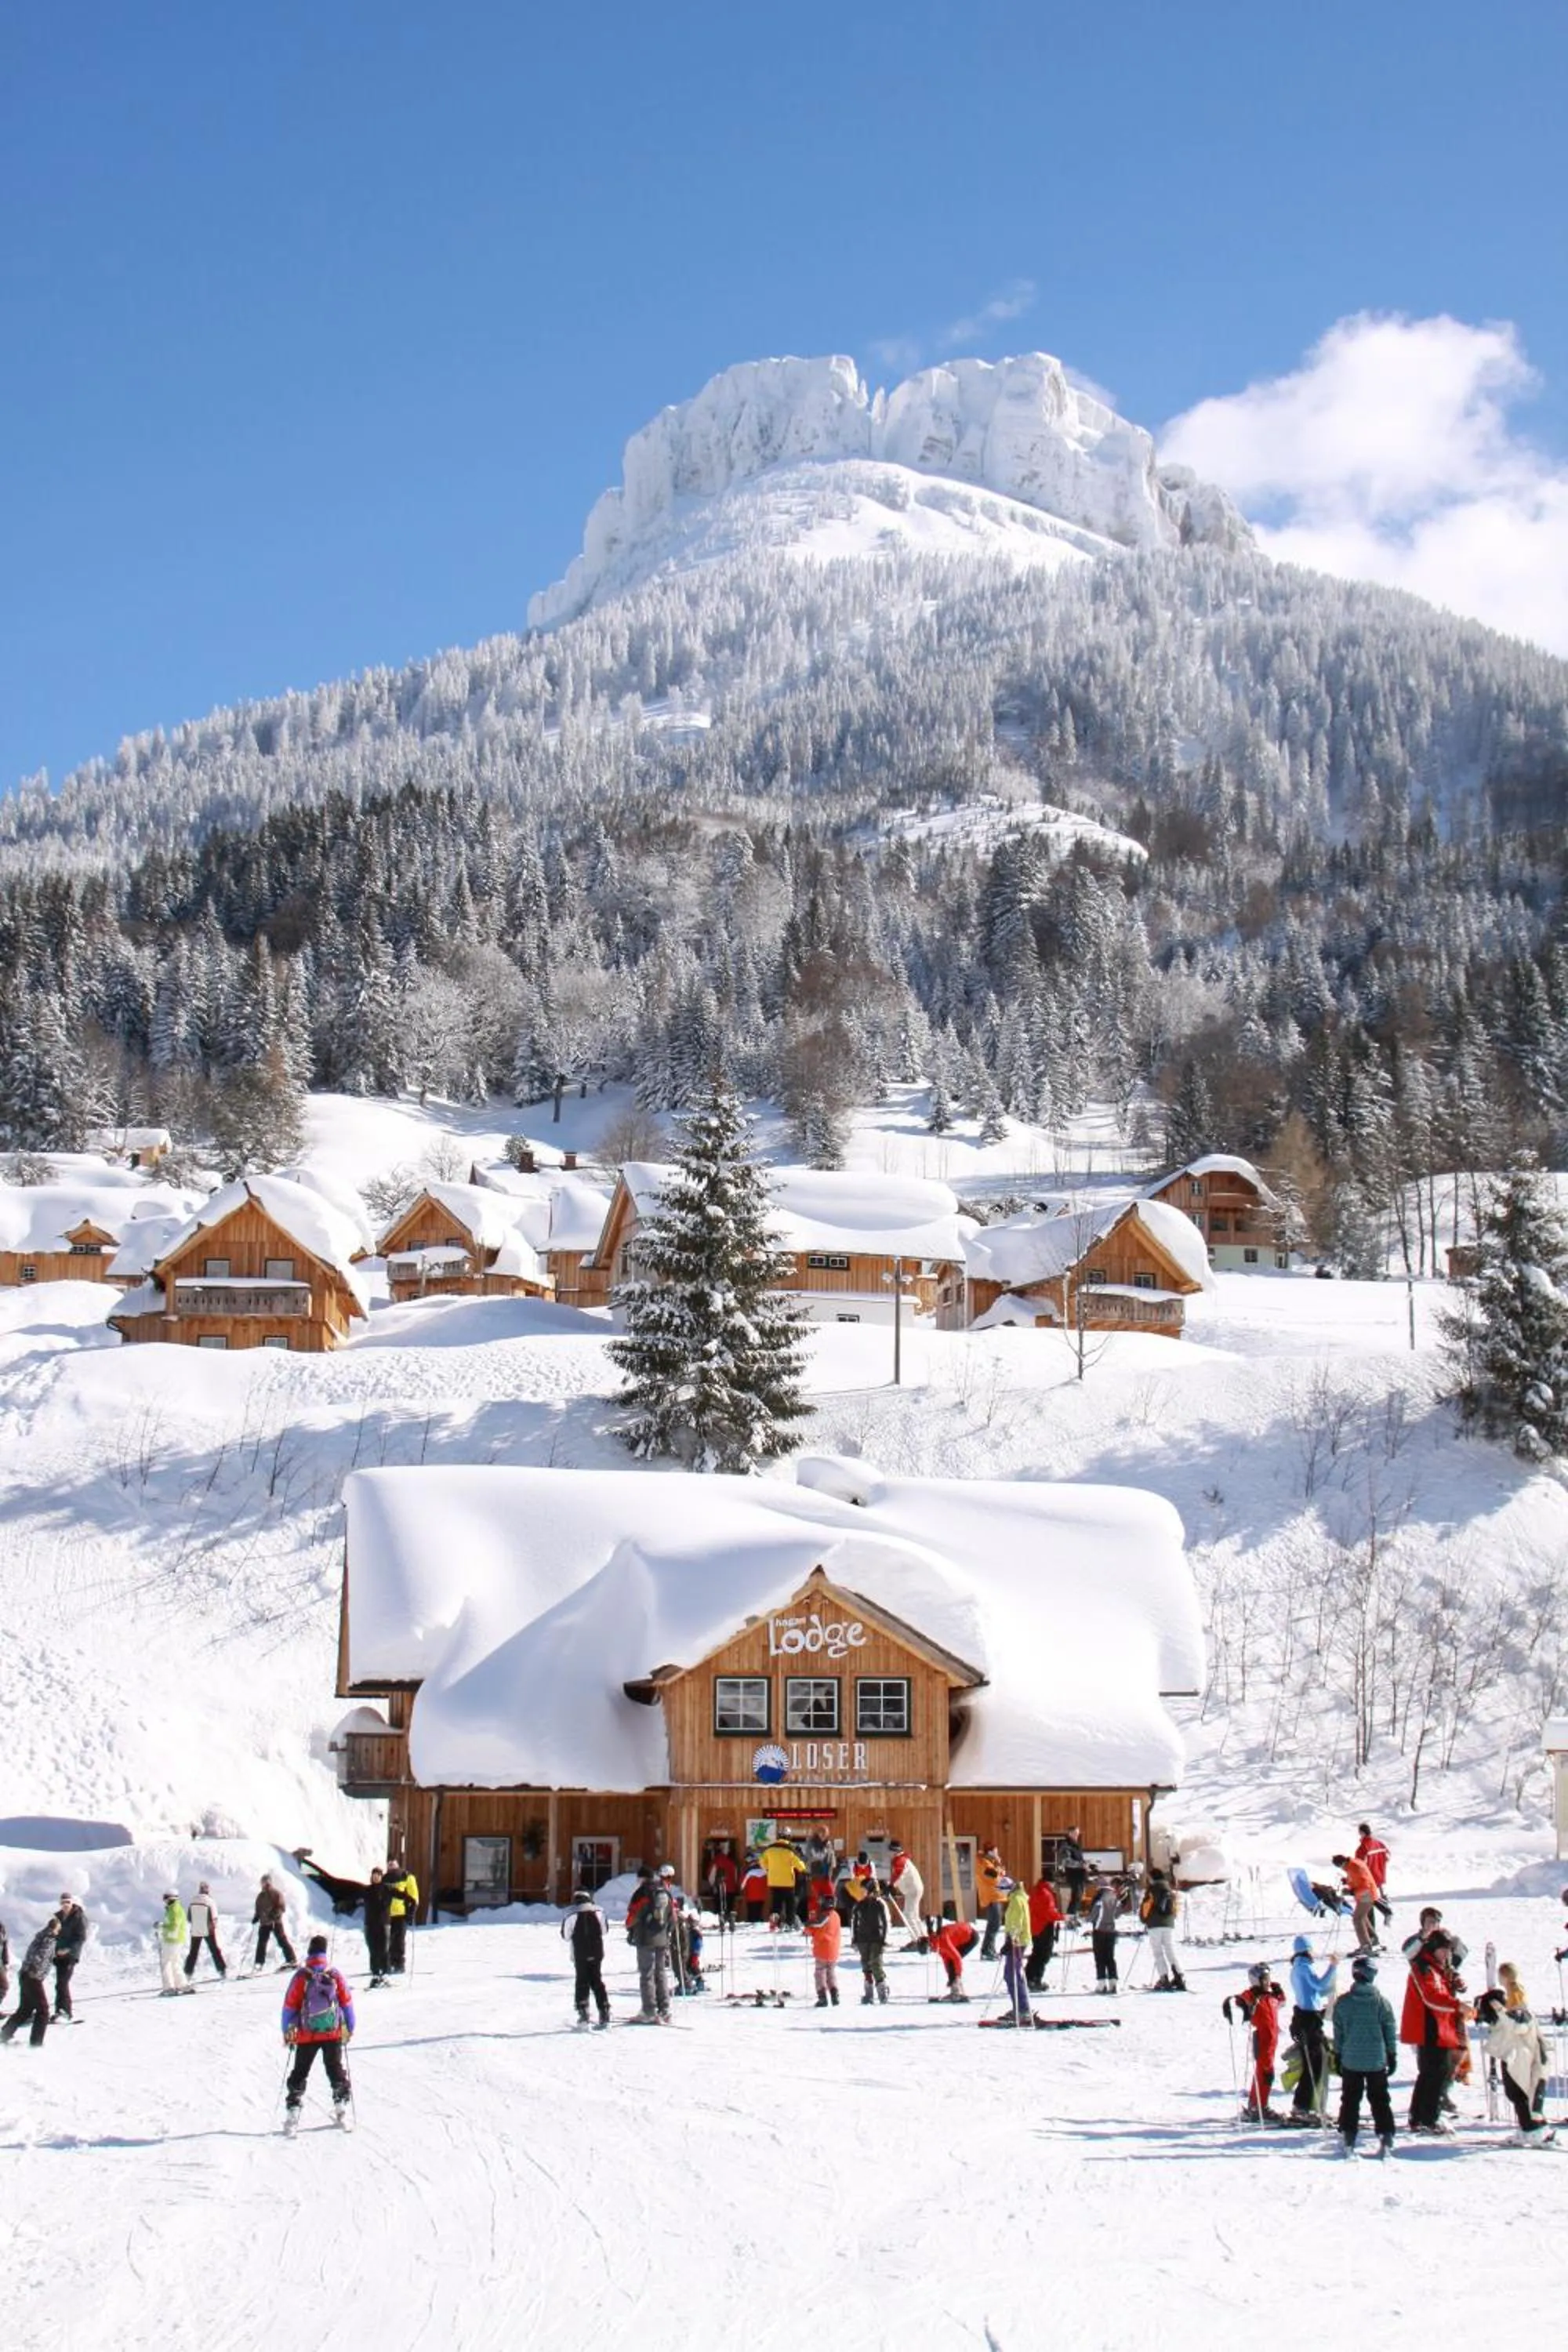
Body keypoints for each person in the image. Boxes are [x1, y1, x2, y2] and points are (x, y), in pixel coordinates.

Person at [281, 1934, 354, 2129]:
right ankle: (341, 2106)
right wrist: (349, 2028)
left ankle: (293, 2113)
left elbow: (290, 2006)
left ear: (309, 1952)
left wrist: (287, 2032)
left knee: (300, 2071)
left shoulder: (301, 1976)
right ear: (325, 1952)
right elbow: (346, 2002)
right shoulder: (334, 1974)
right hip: (333, 2032)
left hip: (307, 2033)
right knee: (335, 2068)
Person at [1330, 1955, 1397, 2156]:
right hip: (1376, 2060)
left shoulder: (1343, 2003)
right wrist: (1392, 2054)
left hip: (1351, 2060)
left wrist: (1338, 2054)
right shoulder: (1381, 2003)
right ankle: (1386, 2133)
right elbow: (1390, 2030)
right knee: (1380, 2098)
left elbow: (1339, 2032)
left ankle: (1348, 2132)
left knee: (1350, 2098)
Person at [1401, 1927, 1466, 2133]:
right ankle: (1429, 2117)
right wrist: (1457, 2005)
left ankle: (1420, 2116)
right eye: (1444, 1950)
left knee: (1432, 2072)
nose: (1447, 1954)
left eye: (1449, 1950)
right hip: (1429, 2025)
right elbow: (1431, 1996)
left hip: (1437, 2025)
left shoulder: (1435, 1966)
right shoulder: (1424, 1967)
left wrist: (1454, 1983)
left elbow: (1440, 1988)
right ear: (1434, 1948)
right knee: (1437, 2071)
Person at [1475, 1987, 1554, 2143]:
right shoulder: (1515, 2016)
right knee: (1525, 2093)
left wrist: (1494, 2009)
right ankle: (1534, 2126)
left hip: (1516, 2059)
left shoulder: (1508, 2018)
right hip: (1522, 2058)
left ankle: (1530, 2129)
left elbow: (1510, 2025)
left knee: (1518, 2094)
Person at [1224, 1962, 1286, 2122]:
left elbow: (1282, 2002)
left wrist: (1278, 1990)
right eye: (1264, 1979)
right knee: (1266, 2074)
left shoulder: (1271, 1997)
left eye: (1268, 1979)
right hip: (1263, 2040)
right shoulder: (1254, 1996)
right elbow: (1241, 2001)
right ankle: (1259, 2106)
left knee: (1265, 2073)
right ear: (1256, 1981)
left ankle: (1256, 2104)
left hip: (1272, 2040)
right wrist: (1244, 2001)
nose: (1267, 1982)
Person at [1287, 1933, 1337, 2122]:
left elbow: (1316, 1990)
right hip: (1309, 2020)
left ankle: (1310, 2105)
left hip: (1308, 2016)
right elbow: (1319, 1984)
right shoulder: (1304, 1968)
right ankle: (1302, 2106)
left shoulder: (1298, 1967)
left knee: (1318, 2060)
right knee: (1314, 2063)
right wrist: (1333, 1967)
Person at [1, 1915, 59, 2048]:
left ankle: (5, 2034)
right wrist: (35, 1970)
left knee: (25, 2009)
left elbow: (34, 1954)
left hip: (25, 1974)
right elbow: (40, 1956)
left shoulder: (40, 1937)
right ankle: (36, 2043)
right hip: (33, 1977)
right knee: (43, 2010)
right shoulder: (50, 1939)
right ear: (55, 1929)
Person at [626, 1865, 674, 2024]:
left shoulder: (642, 1892)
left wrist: (629, 1927)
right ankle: (665, 2009)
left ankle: (649, 2011)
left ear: (641, 1878)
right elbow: (672, 1916)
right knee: (660, 1973)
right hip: (662, 1937)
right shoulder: (664, 1891)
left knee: (646, 1973)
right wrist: (668, 1932)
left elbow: (633, 1914)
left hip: (646, 1938)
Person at [562, 1889, 611, 2028]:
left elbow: (566, 1936)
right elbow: (605, 1931)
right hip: (597, 1951)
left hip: (580, 1952)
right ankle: (604, 2009)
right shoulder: (599, 1911)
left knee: (582, 1980)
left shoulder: (571, 1913)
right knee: (597, 1980)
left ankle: (583, 2011)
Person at [1140, 1869, 1184, 1991]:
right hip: (1168, 1924)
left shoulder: (1152, 1889)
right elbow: (1175, 1908)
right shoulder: (1169, 1889)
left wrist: (1144, 1919)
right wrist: (1171, 1919)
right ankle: (1179, 1975)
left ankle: (1164, 1977)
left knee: (1158, 1951)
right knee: (1170, 1949)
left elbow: (1146, 1906)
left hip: (1155, 1924)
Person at [999, 1878, 1033, 2025]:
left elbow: (1016, 1921)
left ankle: (1023, 2009)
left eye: (1001, 1889)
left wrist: (1010, 1940)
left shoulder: (1016, 1901)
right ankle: (1020, 2007)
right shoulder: (1017, 1898)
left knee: (1011, 1974)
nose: (1000, 1892)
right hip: (1017, 1940)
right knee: (1012, 1974)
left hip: (1017, 1941)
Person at [851, 1879, 891, 2005]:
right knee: (865, 1964)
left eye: (863, 1889)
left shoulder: (880, 1904)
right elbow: (854, 1922)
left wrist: (885, 1939)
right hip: (863, 1939)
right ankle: (868, 1992)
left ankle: (882, 1989)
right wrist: (854, 1939)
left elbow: (886, 1922)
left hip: (877, 1938)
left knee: (876, 1964)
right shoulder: (859, 1904)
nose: (861, 1892)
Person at [1331, 1852, 1379, 1955]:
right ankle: (1373, 1940)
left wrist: (1351, 1892)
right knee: (1363, 1917)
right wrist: (1347, 1881)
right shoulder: (1352, 1864)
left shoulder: (1354, 1867)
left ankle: (1366, 1946)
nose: (1341, 1869)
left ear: (1342, 1863)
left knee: (1357, 1919)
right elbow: (1357, 1878)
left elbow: (1365, 1884)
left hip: (1367, 1894)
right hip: (1366, 1894)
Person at [1025, 1870, 1063, 1991]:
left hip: (1035, 1926)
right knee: (1043, 1955)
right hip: (1044, 1927)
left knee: (1036, 1953)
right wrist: (1062, 1917)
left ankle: (1028, 1978)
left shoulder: (1036, 1890)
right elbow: (1049, 1912)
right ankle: (1035, 1980)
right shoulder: (1046, 1893)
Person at [759, 1835, 807, 1929]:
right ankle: (789, 1923)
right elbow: (798, 1864)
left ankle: (775, 1922)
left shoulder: (769, 1850)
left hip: (773, 1882)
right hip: (787, 1882)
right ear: (788, 1839)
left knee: (776, 1903)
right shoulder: (789, 1850)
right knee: (790, 1904)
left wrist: (768, 1869)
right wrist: (803, 1869)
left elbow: (761, 1861)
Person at [53, 1893, 87, 2020]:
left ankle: (65, 2012)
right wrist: (55, 1950)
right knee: (59, 1983)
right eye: (63, 1902)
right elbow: (53, 1934)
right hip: (58, 1955)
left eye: (67, 1902)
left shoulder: (78, 1916)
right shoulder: (58, 1917)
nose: (65, 1905)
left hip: (71, 1955)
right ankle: (59, 2011)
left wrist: (69, 1950)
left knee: (63, 1982)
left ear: (72, 1902)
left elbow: (81, 1937)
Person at [252, 1875, 296, 1971]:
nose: (264, 1885)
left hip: (275, 1922)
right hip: (264, 1923)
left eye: (266, 1882)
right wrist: (256, 1917)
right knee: (262, 1943)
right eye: (263, 1883)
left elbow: (281, 1907)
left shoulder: (276, 1893)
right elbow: (258, 1908)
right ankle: (259, 1963)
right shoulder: (260, 1896)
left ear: (270, 1883)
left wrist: (275, 1914)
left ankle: (291, 1959)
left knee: (282, 1940)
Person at [184, 1882, 227, 1982]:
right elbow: (214, 1917)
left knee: (193, 1952)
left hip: (195, 1930)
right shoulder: (210, 1901)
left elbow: (189, 1918)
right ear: (208, 1891)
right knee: (214, 1950)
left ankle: (187, 1972)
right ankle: (222, 1970)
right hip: (208, 1930)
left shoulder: (193, 1900)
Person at [888, 1842, 926, 1949]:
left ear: (894, 1851)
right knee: (914, 1915)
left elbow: (899, 1874)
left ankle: (916, 1940)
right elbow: (897, 1875)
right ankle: (922, 1938)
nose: (890, 1854)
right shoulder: (901, 1859)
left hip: (912, 1890)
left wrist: (891, 1886)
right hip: (914, 1889)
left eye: (891, 1851)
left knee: (909, 1915)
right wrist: (890, 1885)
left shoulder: (900, 1860)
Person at [1087, 1873, 1120, 1992]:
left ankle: (1101, 1983)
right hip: (1111, 1930)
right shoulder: (1114, 1896)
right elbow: (1117, 1914)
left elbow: (1093, 1914)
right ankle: (1113, 1982)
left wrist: (1088, 1919)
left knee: (1100, 1957)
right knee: (1110, 1957)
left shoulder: (1100, 1897)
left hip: (1099, 1930)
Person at [1356, 1823, 1392, 1925]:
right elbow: (1388, 1856)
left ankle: (1371, 1926)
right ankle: (1386, 1910)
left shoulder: (1363, 1848)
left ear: (1362, 1833)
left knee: (1367, 1901)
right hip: (1379, 1875)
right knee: (1374, 1898)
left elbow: (1359, 1866)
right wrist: (1380, 1864)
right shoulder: (1380, 1844)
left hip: (1368, 1878)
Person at [386, 1857, 419, 1972]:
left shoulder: (407, 1876)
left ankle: (399, 1963)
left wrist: (411, 1913)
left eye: (393, 1864)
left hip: (401, 1913)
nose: (391, 1866)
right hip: (386, 1914)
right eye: (389, 1864)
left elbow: (414, 1897)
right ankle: (388, 1962)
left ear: (397, 1864)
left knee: (399, 1940)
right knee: (387, 1940)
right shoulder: (384, 1878)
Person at [934, 1917, 979, 1999]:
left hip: (971, 1937)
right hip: (962, 1935)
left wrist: (957, 1975)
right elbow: (945, 1959)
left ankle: (957, 1989)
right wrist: (950, 1976)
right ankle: (954, 1988)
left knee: (953, 1962)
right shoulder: (937, 1942)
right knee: (951, 1963)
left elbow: (957, 1958)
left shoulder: (943, 1941)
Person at [362, 1867, 393, 1986]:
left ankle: (385, 1973)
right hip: (369, 1924)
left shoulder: (386, 1889)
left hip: (383, 1923)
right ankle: (375, 1974)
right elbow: (356, 1898)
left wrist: (411, 1901)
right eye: (374, 1875)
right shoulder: (367, 1890)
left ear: (381, 1877)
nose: (376, 1877)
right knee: (373, 1950)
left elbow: (389, 1901)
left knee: (384, 1949)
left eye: (378, 1875)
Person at [808, 1901, 842, 2008]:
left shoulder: (823, 1917)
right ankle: (834, 1993)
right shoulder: (836, 1915)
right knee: (831, 1972)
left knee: (820, 1973)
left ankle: (822, 1997)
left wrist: (810, 1922)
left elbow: (814, 1929)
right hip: (834, 1950)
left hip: (823, 1949)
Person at [976, 1844, 1007, 1959]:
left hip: (996, 1896)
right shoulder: (983, 1863)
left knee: (995, 1923)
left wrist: (999, 1869)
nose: (997, 1854)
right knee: (994, 1924)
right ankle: (987, 1950)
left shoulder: (989, 1863)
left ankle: (989, 1949)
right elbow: (993, 1877)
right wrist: (999, 1869)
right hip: (991, 1897)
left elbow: (999, 1875)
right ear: (989, 1852)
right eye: (995, 1852)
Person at [158, 1892, 188, 1994]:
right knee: (175, 1963)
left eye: (165, 1899)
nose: (164, 1901)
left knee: (166, 1963)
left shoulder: (174, 1909)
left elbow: (174, 1926)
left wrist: (161, 1926)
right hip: (175, 1940)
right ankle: (182, 1985)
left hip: (172, 1940)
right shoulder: (173, 1909)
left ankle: (169, 1987)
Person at [802, 1828, 836, 1920]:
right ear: (818, 1833)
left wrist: (833, 1866)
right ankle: (813, 1920)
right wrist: (824, 1852)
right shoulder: (812, 1843)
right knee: (815, 1899)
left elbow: (831, 1857)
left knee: (830, 1896)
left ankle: (829, 1919)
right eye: (822, 1833)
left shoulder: (828, 1844)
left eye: (825, 1834)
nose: (823, 1836)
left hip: (826, 1875)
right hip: (815, 1875)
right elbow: (813, 1856)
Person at [1058, 1828, 1087, 1917]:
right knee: (1076, 1897)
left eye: (1078, 1834)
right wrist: (1081, 1865)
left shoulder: (1076, 1846)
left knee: (1078, 1897)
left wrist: (1087, 1864)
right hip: (1073, 1875)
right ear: (1070, 1834)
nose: (1077, 1836)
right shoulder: (1066, 1845)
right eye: (1075, 1833)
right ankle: (1070, 1917)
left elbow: (1079, 1859)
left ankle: (1073, 1916)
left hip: (1080, 1875)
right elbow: (1066, 1862)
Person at [706, 1844, 739, 1925]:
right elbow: (736, 1876)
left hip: (719, 1888)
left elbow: (711, 1876)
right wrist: (735, 1886)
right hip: (731, 1888)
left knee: (719, 1908)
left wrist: (712, 1886)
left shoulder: (716, 1861)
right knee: (729, 1908)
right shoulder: (733, 1862)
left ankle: (720, 1923)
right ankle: (730, 1923)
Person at [740, 1855, 770, 1924]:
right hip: (762, 1897)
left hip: (751, 1897)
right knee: (759, 1912)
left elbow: (742, 1886)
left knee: (752, 1915)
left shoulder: (748, 1873)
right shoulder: (765, 1872)